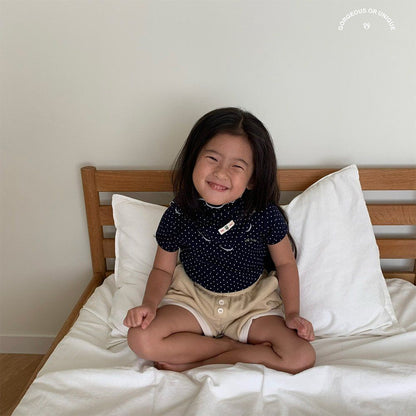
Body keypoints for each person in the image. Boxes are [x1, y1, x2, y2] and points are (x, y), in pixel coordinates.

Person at [124, 107, 315, 373]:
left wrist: (292, 314)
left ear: (252, 179)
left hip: (252, 305)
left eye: (237, 166)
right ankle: (231, 348)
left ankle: (204, 360)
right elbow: (162, 269)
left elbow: (285, 264)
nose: (221, 172)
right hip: (193, 300)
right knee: (140, 338)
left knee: (302, 356)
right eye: (212, 158)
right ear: (194, 159)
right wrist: (149, 305)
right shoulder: (178, 212)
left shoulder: (265, 214)